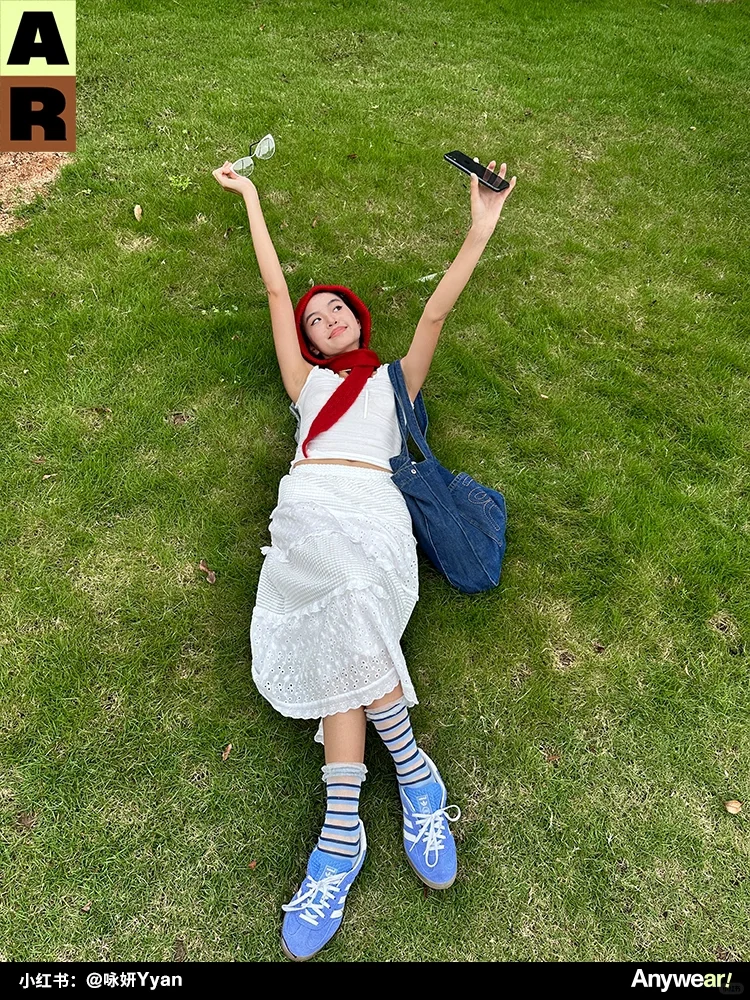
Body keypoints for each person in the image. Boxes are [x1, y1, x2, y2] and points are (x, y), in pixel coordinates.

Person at [212, 156, 516, 961]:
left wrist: (480, 226)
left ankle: (338, 841)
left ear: (360, 320)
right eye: (315, 320)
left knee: (343, 609)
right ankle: (414, 776)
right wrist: (250, 199)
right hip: (309, 505)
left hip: (374, 509)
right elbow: (277, 291)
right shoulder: (303, 385)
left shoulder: (393, 380)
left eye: (338, 311)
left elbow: (437, 317)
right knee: (341, 630)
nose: (324, 320)